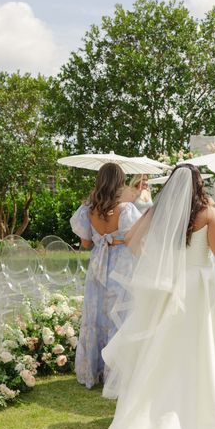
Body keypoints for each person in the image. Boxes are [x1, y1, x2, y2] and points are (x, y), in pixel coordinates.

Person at [55, 164, 215, 429]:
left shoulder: (158, 210)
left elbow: (132, 242)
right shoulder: (208, 213)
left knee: (167, 356)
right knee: (207, 353)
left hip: (171, 290)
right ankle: (208, 422)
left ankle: (168, 415)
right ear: (199, 185)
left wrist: (159, 265)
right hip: (199, 291)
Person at [70, 163, 140, 389]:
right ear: (120, 182)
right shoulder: (126, 210)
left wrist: (102, 236)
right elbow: (135, 240)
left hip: (98, 264)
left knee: (96, 315)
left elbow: (86, 242)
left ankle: (93, 370)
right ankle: (116, 375)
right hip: (121, 266)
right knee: (119, 315)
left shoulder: (87, 210)